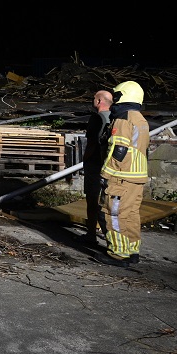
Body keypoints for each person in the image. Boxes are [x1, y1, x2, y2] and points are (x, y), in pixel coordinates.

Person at [95, 80, 150, 268]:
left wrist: (105, 174)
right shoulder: (140, 119)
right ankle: (132, 250)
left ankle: (118, 253)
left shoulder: (123, 118)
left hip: (121, 176)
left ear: (121, 96)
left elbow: (118, 149)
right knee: (131, 214)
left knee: (113, 214)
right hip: (137, 176)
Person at [80, 89, 113, 246]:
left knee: (92, 201)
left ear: (99, 101)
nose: (92, 100)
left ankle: (91, 234)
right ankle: (111, 240)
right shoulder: (115, 118)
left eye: (94, 98)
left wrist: (84, 160)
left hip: (94, 165)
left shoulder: (96, 119)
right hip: (109, 167)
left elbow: (92, 143)